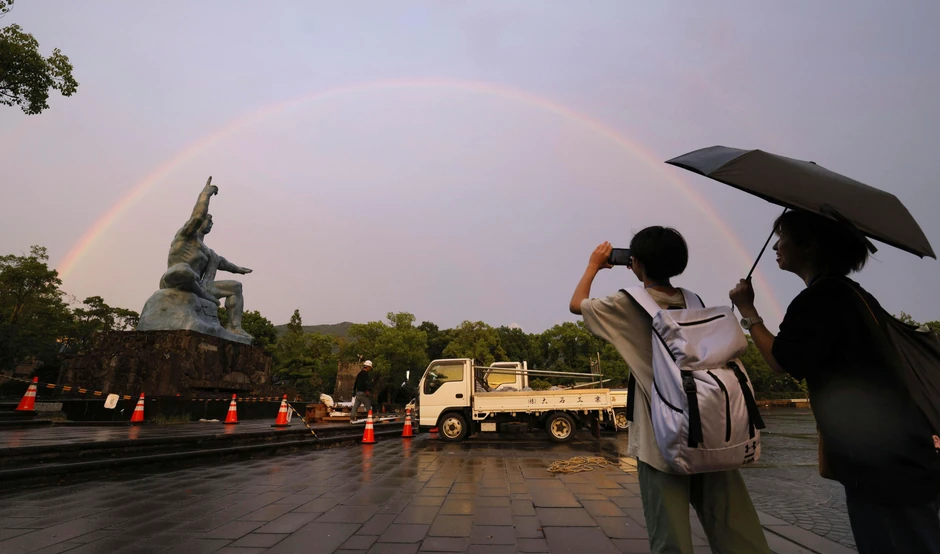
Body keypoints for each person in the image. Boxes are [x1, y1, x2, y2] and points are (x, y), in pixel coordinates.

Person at [729, 210, 940, 554]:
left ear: (809, 245)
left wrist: (748, 312)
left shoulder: (821, 299)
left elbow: (782, 360)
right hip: (898, 456)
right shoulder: (851, 294)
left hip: (881, 465)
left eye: (783, 237)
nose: (776, 247)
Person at [571, 226, 770, 554]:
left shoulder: (627, 303)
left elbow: (577, 304)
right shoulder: (694, 301)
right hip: (712, 429)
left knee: (671, 537)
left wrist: (594, 264)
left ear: (635, 264)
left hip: (660, 440)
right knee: (737, 530)